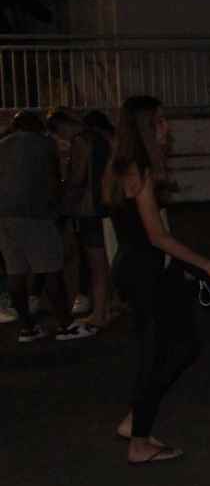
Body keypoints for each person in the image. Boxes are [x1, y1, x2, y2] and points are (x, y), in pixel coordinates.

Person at [104, 97, 210, 465]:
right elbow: (157, 236)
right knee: (159, 352)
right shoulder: (140, 171)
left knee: (180, 346)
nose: (167, 127)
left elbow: (141, 231)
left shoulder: (120, 167)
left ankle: (136, 420)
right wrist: (208, 267)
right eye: (161, 121)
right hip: (145, 271)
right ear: (147, 128)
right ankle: (139, 441)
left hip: (142, 268)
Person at [0, 111, 81, 342]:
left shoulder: (2, 144)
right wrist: (58, 207)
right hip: (35, 213)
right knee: (51, 269)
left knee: (15, 272)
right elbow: (53, 178)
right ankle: (66, 325)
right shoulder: (44, 144)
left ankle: (27, 327)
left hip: (4, 215)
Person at [50, 109, 112, 329]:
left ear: (63, 126)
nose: (62, 138)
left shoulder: (81, 141)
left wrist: (64, 203)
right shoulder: (103, 137)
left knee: (96, 265)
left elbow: (77, 178)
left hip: (89, 209)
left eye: (59, 132)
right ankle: (106, 307)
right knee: (104, 261)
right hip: (105, 206)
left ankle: (98, 314)